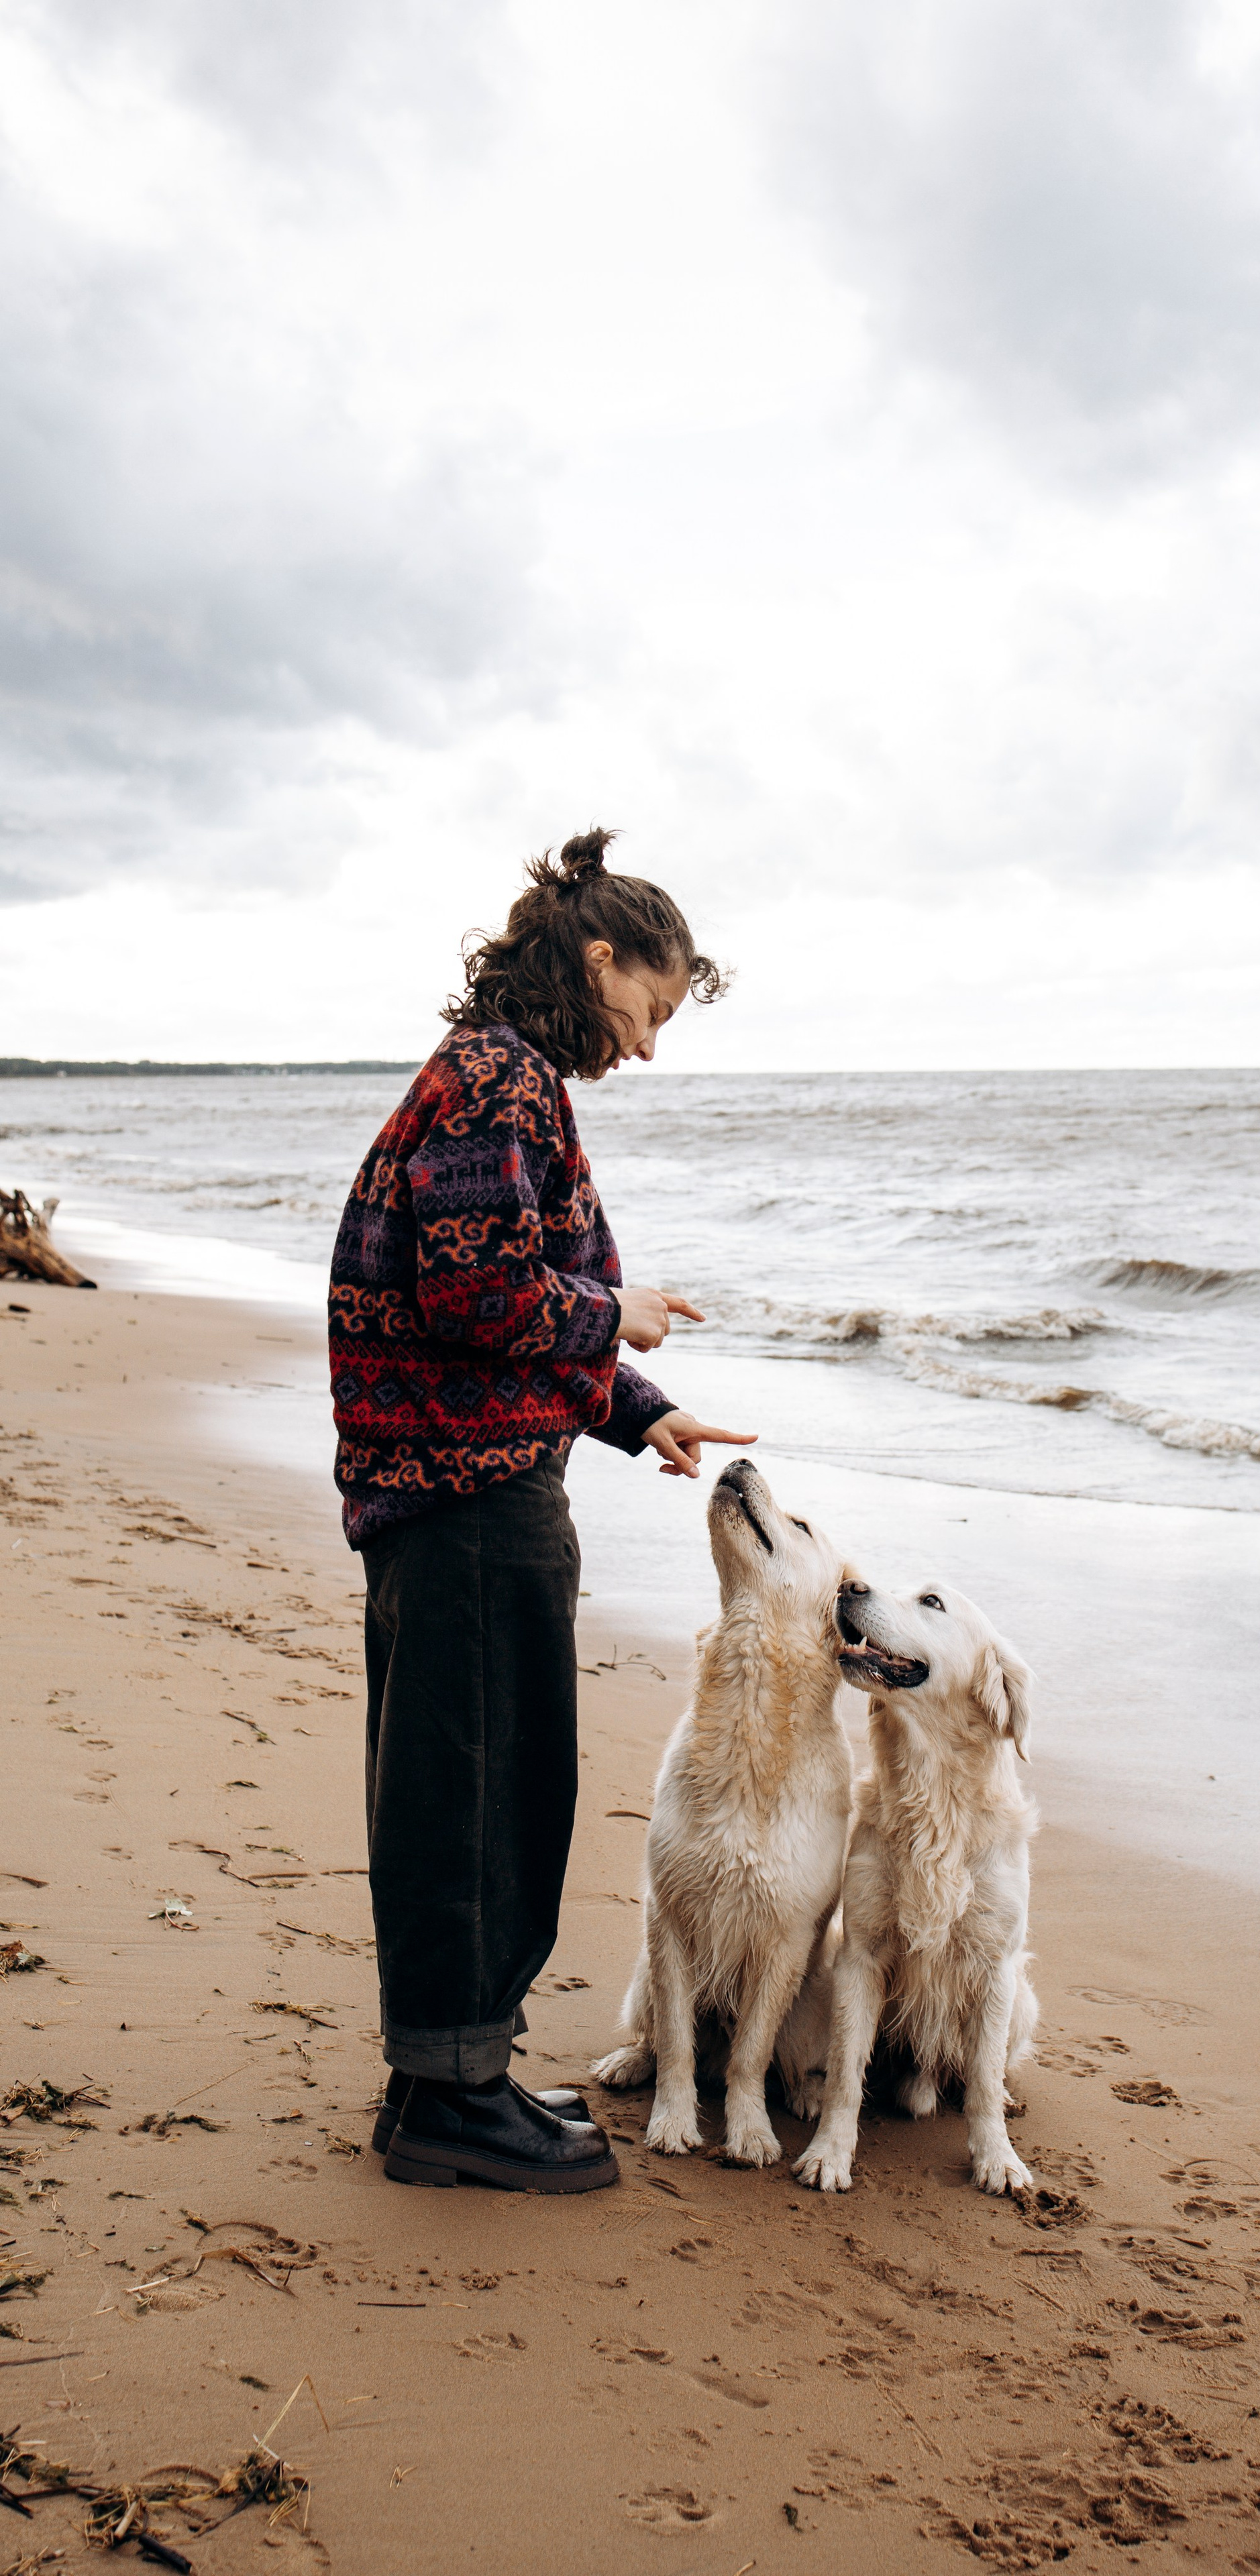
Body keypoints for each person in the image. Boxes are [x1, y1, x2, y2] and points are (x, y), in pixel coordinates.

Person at [327, 831, 753, 2193]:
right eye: (652, 1007)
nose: (648, 1044)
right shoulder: (493, 1083)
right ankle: (451, 2103)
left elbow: (485, 1304)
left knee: (486, 1786)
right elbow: (477, 1298)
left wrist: (635, 1409)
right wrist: (612, 1314)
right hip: (463, 1495)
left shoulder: (495, 1078)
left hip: (462, 1481)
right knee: (474, 1794)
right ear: (597, 960)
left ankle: (450, 2081)